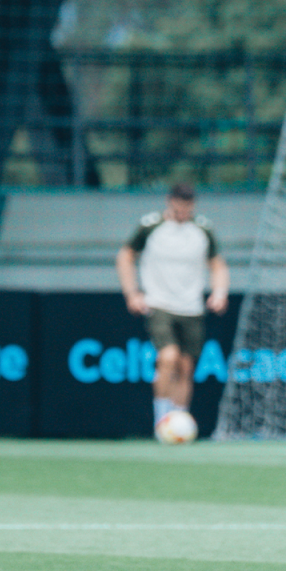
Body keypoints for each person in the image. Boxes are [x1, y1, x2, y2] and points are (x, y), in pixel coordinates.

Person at [115, 181, 229, 428]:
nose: (182, 214)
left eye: (187, 209)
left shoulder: (202, 229)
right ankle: (162, 420)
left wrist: (219, 293)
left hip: (191, 307)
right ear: (169, 202)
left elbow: (217, 265)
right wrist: (132, 293)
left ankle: (180, 420)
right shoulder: (150, 226)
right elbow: (125, 256)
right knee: (168, 357)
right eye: (178, 208)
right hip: (160, 303)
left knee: (186, 367)